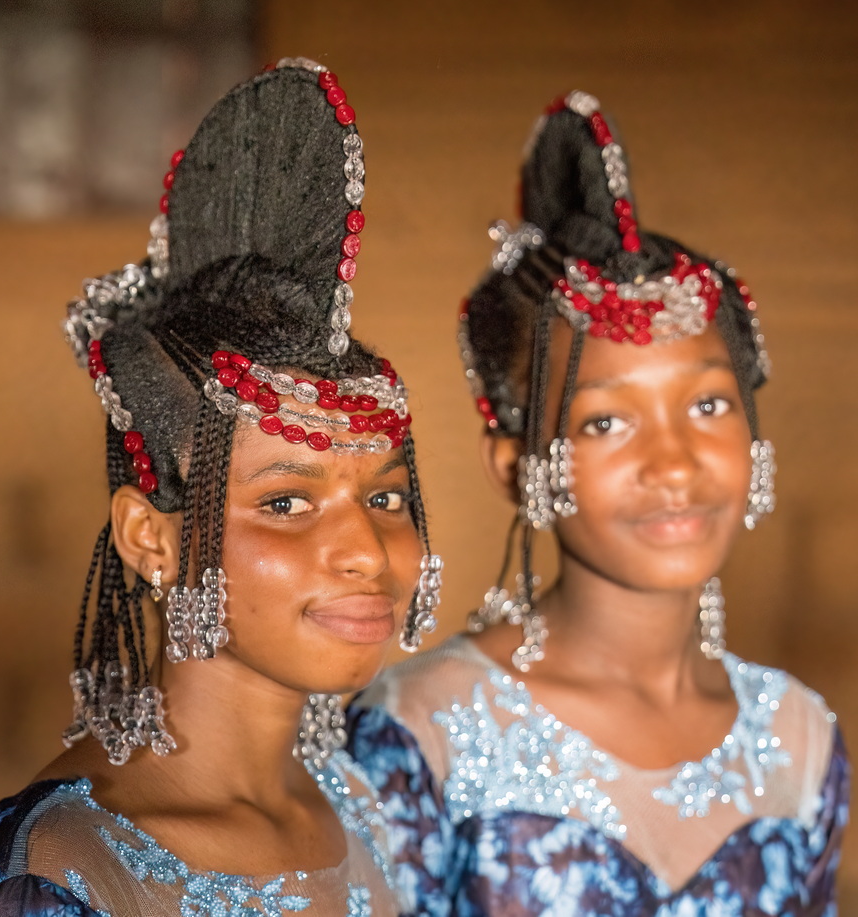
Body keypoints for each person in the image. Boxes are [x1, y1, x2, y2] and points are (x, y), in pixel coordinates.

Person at [0, 59, 443, 917]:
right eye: (286, 502)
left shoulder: (381, 812)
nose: (366, 550)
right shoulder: (61, 873)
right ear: (151, 537)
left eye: (385, 497)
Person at [348, 90, 848, 915]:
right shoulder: (418, 732)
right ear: (517, 466)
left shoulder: (800, 736)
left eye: (709, 404)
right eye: (607, 420)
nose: (674, 462)